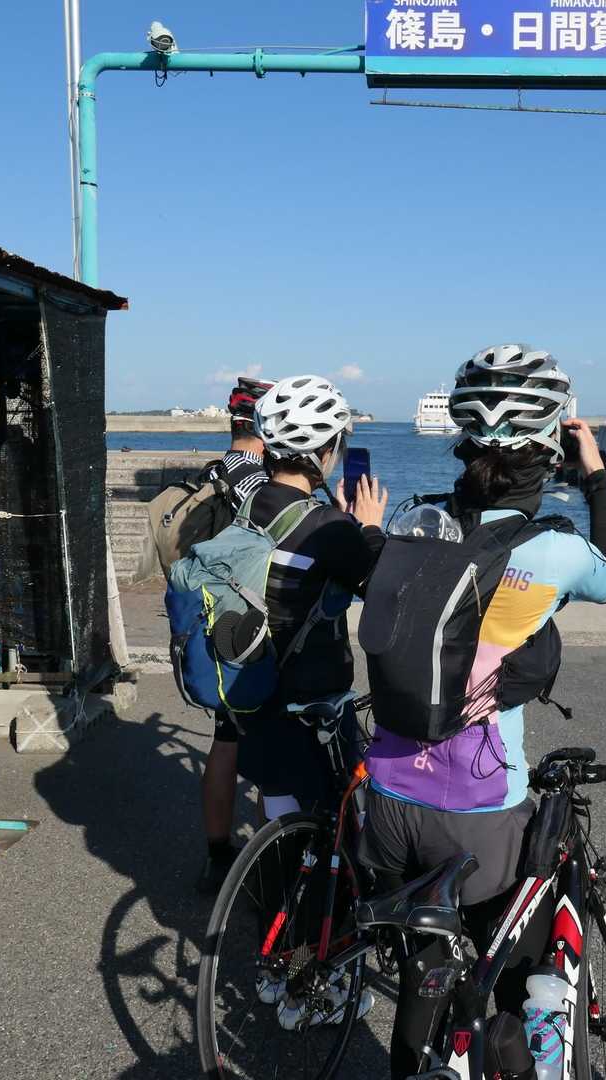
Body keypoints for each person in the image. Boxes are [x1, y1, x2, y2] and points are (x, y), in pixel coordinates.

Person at [359, 345, 606, 1078]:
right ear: (548, 450)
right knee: (516, 981)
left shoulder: (416, 524)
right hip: (477, 807)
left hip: (387, 796)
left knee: (424, 967)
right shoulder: (554, 550)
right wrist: (595, 474)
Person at [235, 374, 388, 819]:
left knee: (279, 805)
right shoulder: (329, 527)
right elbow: (379, 588)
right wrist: (369, 527)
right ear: (325, 452)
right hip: (313, 700)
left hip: (255, 685)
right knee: (341, 817)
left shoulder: (248, 506)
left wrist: (341, 523)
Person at [197, 376, 272, 892]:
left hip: (215, 618)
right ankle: (270, 860)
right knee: (269, 746)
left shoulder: (214, 471)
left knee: (225, 738)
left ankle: (217, 855)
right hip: (252, 626)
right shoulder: (258, 482)